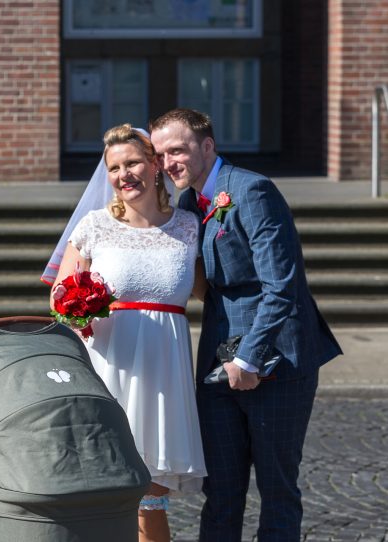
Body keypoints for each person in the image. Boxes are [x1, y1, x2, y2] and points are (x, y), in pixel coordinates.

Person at [150, 108, 342, 541]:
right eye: (160, 155)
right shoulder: (187, 204)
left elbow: (283, 286)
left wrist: (250, 359)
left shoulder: (251, 190)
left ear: (207, 146)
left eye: (177, 150)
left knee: (277, 491)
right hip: (217, 366)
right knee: (219, 492)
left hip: (277, 360)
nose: (168, 163)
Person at [46, 124, 207, 542]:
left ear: (155, 165)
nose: (124, 174)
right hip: (108, 365)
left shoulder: (189, 226)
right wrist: (76, 313)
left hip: (163, 373)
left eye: (133, 162)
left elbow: (208, 290)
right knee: (103, 486)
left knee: (150, 498)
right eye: (114, 167)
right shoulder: (94, 226)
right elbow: (61, 300)